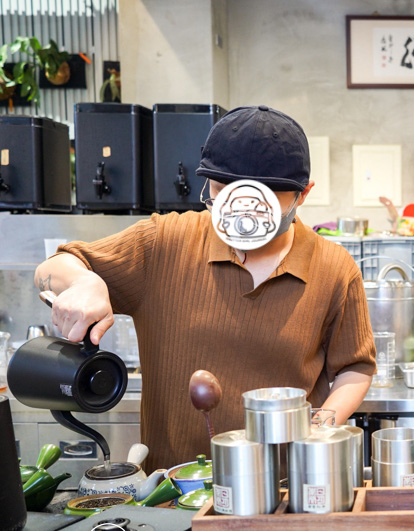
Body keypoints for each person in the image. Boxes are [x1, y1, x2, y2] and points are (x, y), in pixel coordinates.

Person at [34, 105, 375, 469]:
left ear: (302, 195)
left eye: (261, 202)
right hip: (171, 492)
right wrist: (85, 281)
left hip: (287, 486)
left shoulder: (334, 268)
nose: (240, 216)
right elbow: (52, 267)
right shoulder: (164, 241)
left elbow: (355, 367)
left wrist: (321, 426)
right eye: (222, 192)